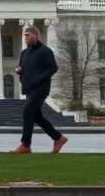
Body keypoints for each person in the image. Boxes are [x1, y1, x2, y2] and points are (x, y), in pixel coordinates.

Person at [10, 25, 67, 154]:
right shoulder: (24, 53)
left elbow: (53, 68)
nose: (25, 38)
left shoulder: (45, 51)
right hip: (29, 89)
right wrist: (20, 72)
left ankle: (25, 145)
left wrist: (39, 78)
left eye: (28, 35)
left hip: (41, 88)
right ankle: (58, 138)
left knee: (27, 112)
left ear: (35, 35)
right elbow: (22, 67)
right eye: (24, 36)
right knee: (36, 117)